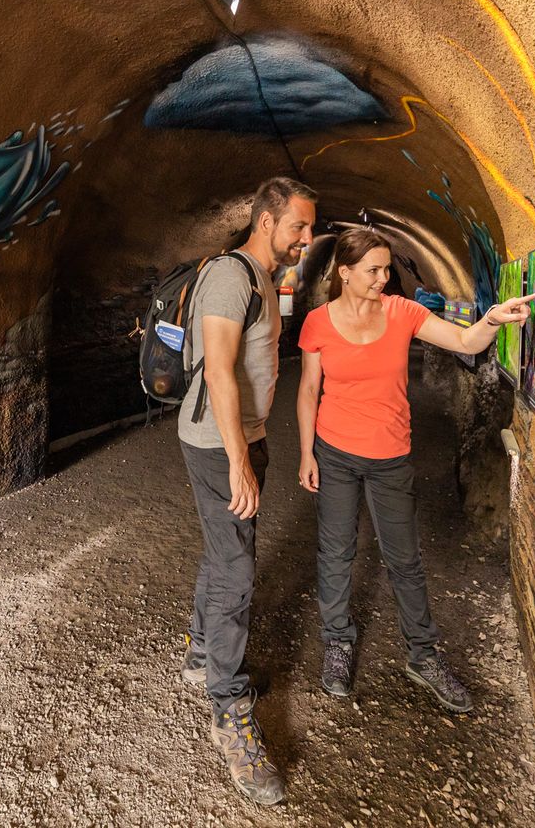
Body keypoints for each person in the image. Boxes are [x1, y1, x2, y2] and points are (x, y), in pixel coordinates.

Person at [297, 227, 531, 711]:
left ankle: (423, 655)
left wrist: (492, 319)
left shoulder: (402, 312)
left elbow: (464, 340)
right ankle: (338, 642)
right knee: (336, 553)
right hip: (335, 452)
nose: (383, 278)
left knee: (404, 559)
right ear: (345, 272)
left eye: (387, 269)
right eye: (373, 270)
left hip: (390, 456)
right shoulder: (319, 323)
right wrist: (306, 453)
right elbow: (307, 391)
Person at [179, 176, 316, 806]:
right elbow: (218, 369)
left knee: (223, 548)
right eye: (299, 226)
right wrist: (239, 460)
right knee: (236, 569)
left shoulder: (264, 278)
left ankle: (201, 652)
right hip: (217, 443)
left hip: (241, 437)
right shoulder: (231, 277)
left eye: (310, 228)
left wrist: (251, 446)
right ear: (266, 221)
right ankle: (228, 708)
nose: (306, 238)